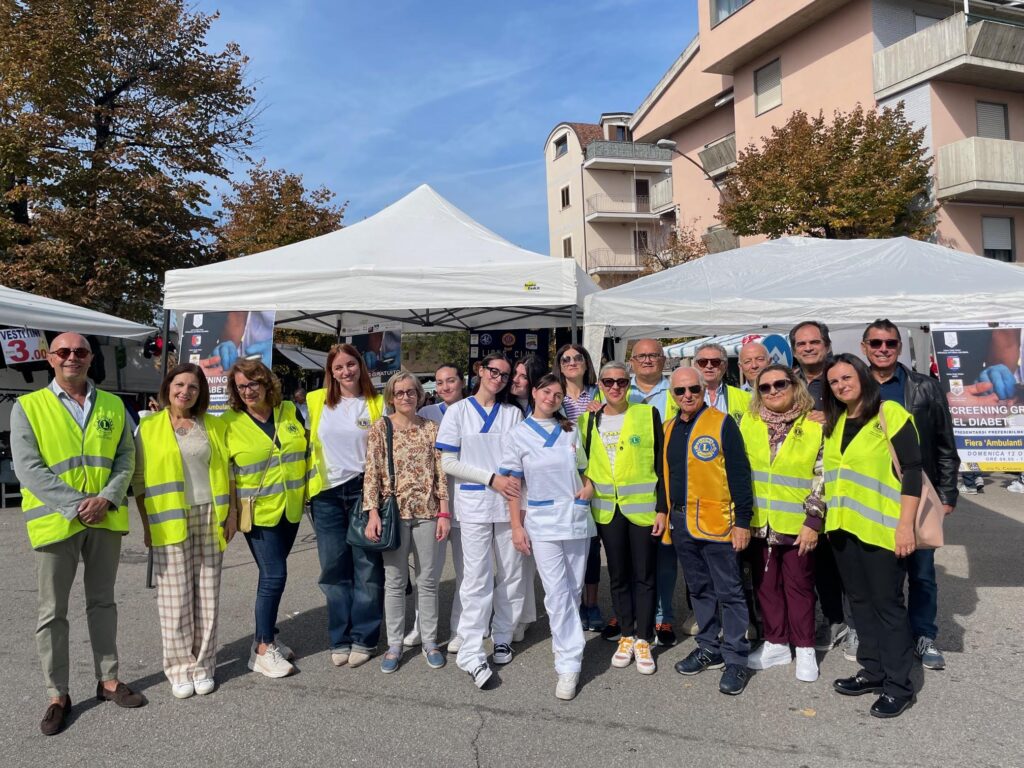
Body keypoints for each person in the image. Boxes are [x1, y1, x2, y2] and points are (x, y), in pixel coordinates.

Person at [11, 332, 144, 736]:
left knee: (103, 603)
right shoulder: (28, 406)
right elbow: (28, 467)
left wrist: (106, 498)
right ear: (50, 358)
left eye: (81, 351)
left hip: (104, 517)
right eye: (64, 351)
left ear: (90, 358)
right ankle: (57, 695)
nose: (73, 356)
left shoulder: (113, 405)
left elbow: (126, 457)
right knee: (52, 612)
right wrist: (78, 504)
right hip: (57, 521)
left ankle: (109, 680)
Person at [822, 353, 921, 719]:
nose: (841, 385)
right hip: (843, 529)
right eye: (834, 381)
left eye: (846, 377)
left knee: (887, 606)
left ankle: (898, 686)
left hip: (883, 530)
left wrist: (906, 525)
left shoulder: (889, 413)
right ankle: (873, 670)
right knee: (859, 603)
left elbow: (912, 470)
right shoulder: (835, 422)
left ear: (863, 377)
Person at [862, 319, 958, 671]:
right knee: (876, 575)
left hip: (917, 492)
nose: (883, 349)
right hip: (870, 496)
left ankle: (924, 634)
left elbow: (945, 444)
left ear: (900, 347)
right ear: (864, 347)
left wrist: (947, 494)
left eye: (890, 343)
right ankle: (877, 635)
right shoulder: (853, 386)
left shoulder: (925, 387)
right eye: (876, 343)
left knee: (921, 572)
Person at [133, 363, 234, 698]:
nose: (185, 392)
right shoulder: (149, 427)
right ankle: (179, 669)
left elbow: (228, 472)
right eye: (179, 385)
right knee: (175, 599)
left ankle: (204, 666)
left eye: (193, 387)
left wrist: (232, 514)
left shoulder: (213, 425)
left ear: (200, 392)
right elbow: (139, 481)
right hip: (169, 518)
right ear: (168, 388)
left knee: (207, 595)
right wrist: (146, 526)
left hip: (210, 516)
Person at [501, 373, 595, 700]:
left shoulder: (570, 429)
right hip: (541, 522)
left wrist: (589, 488)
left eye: (557, 394)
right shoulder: (518, 434)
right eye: (546, 392)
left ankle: (566, 641)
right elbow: (513, 486)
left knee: (573, 588)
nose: (551, 398)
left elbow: (584, 470)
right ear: (534, 392)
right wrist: (516, 526)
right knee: (556, 591)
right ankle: (568, 662)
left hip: (575, 518)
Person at [663, 366, 754, 696]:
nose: (687, 395)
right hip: (682, 523)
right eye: (680, 391)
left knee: (729, 591)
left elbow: (740, 474)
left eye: (694, 389)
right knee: (699, 589)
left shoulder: (722, 423)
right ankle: (708, 647)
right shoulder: (669, 427)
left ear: (704, 391)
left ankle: (736, 658)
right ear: (672, 394)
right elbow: (666, 476)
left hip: (718, 524)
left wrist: (742, 521)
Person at [435, 353, 524, 689]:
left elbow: (519, 460)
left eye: (504, 375)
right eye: (493, 371)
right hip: (473, 505)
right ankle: (471, 649)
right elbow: (448, 463)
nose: (498, 378)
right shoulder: (458, 412)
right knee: (476, 578)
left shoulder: (512, 413)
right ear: (480, 371)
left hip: (508, 504)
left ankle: (502, 635)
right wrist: (491, 479)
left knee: (511, 573)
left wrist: (506, 485)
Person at [223, 359, 309, 678]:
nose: (247, 391)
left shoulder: (289, 410)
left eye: (253, 383)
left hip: (291, 507)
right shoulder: (228, 422)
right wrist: (230, 512)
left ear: (266, 383)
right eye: (241, 386)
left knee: (270, 575)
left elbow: (305, 450)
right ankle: (261, 649)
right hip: (258, 512)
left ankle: (267, 634)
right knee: (274, 575)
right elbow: (227, 473)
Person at [580, 362, 665, 676]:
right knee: (617, 575)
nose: (615, 387)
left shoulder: (647, 414)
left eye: (621, 382)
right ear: (600, 385)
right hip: (607, 509)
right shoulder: (588, 419)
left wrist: (663, 508)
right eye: (608, 382)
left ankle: (644, 638)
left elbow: (661, 464)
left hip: (642, 509)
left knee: (644, 575)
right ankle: (626, 634)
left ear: (629, 384)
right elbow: (582, 464)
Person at [740, 365, 824, 683]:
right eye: (765, 387)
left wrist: (813, 520)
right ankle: (776, 642)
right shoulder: (748, 422)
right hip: (759, 522)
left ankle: (804, 647)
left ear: (794, 386)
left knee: (799, 587)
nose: (773, 391)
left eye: (780, 384)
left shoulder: (814, 424)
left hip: (797, 524)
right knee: (766, 586)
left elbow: (824, 476)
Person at [363, 372, 450, 673]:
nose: (405, 397)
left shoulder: (431, 429)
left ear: (419, 395)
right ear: (391, 397)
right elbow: (372, 473)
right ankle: (395, 644)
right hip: (394, 514)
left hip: (427, 512)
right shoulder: (381, 427)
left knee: (427, 580)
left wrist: (444, 512)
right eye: (399, 393)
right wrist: (372, 513)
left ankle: (430, 641)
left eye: (410, 392)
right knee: (395, 581)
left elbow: (440, 474)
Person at [306, 344, 386, 669]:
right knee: (333, 569)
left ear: (360, 365)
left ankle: (364, 637)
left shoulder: (376, 402)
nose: (345, 371)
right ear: (331, 372)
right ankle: (340, 637)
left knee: (367, 567)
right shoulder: (315, 400)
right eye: (338, 367)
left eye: (350, 364)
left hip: (363, 491)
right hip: (326, 494)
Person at [788, 320, 850, 656]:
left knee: (845, 559)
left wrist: (834, 418)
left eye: (814, 342)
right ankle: (831, 618)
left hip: (843, 483)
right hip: (804, 484)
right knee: (816, 557)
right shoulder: (788, 381)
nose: (808, 347)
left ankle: (854, 623)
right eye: (802, 343)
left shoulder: (842, 375)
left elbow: (867, 412)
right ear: (794, 350)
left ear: (826, 344)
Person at [626, 339, 688, 648]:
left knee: (665, 553)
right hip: (631, 487)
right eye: (642, 356)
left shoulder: (676, 391)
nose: (648, 360)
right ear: (632, 361)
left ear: (663, 360)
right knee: (632, 558)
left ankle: (664, 616)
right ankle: (633, 616)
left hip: (668, 481)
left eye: (654, 355)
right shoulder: (619, 389)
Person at [413, 363, 466, 651]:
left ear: (462, 382)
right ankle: (421, 626)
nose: (445, 387)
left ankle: (460, 628)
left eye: (451, 381)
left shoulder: (472, 410)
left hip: (466, 503)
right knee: (428, 573)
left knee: (465, 573)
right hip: (434, 506)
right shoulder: (426, 414)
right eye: (440, 382)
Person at [555, 342, 604, 632]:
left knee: (592, 544)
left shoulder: (600, 393)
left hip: (597, 474)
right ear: (560, 367)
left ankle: (592, 603)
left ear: (586, 363)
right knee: (568, 545)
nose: (572, 362)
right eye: (566, 359)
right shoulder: (554, 395)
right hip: (564, 479)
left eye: (577, 358)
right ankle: (570, 604)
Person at [693, 342, 751, 424]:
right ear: (695, 365)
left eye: (715, 362)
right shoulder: (680, 396)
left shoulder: (746, 398)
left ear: (725, 365)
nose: (709, 366)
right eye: (703, 362)